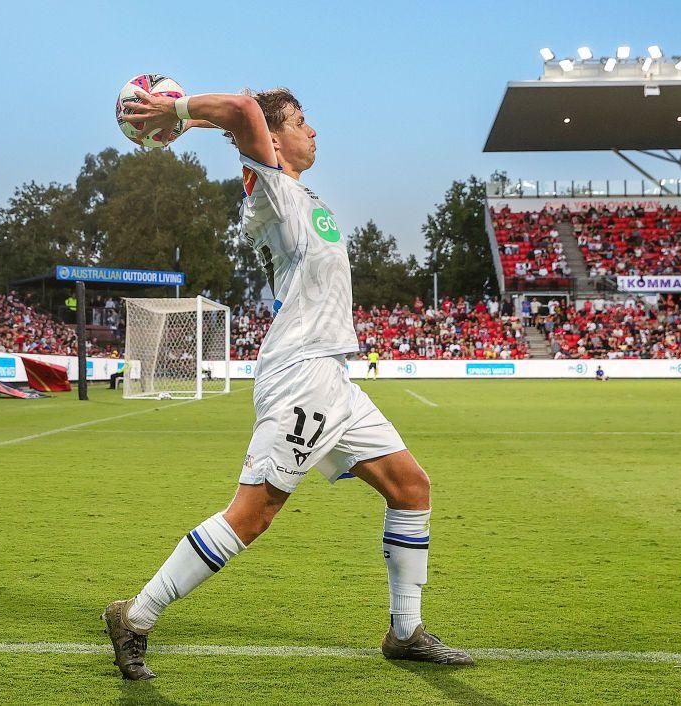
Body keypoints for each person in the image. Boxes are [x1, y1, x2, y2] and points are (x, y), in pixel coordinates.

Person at [104, 86, 472, 681]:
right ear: (273, 140)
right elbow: (246, 109)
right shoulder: (271, 187)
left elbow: (243, 121)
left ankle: (406, 634)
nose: (314, 131)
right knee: (252, 515)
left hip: (333, 376)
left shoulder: (300, 193)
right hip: (301, 375)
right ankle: (136, 616)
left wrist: (199, 124)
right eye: (301, 122)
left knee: (411, 488)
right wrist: (178, 113)